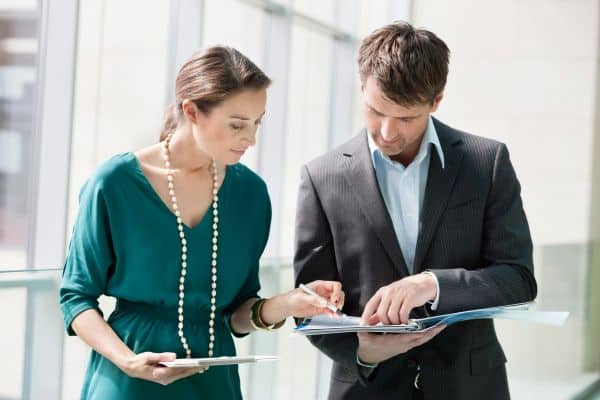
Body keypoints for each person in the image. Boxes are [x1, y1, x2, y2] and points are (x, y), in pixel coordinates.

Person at [59, 46, 344, 399]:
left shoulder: (251, 195)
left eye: (258, 122)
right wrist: (128, 360)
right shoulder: (114, 183)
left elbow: (235, 315)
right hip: (128, 380)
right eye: (237, 124)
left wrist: (287, 303)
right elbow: (76, 298)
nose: (251, 138)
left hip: (213, 383)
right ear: (191, 111)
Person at [293, 21, 537, 400]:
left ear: (436, 100)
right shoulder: (322, 176)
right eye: (375, 111)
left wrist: (432, 284)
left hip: (469, 387)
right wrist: (363, 353)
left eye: (406, 118)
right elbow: (308, 305)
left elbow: (518, 279)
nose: (387, 131)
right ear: (362, 89)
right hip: (367, 388)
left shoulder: (485, 163)